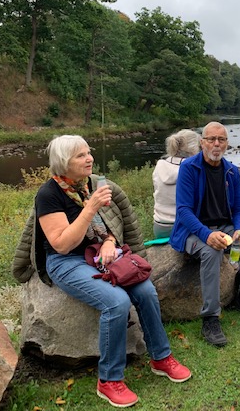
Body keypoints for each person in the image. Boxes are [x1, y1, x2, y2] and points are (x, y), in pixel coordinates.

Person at [22, 135, 190, 408]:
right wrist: (90, 208)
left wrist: (110, 242)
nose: (89, 158)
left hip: (99, 254)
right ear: (63, 161)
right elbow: (62, 244)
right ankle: (109, 379)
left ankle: (161, 357)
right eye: (80, 155)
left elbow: (108, 226)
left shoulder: (90, 184)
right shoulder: (49, 194)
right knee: (117, 301)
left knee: (146, 290)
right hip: (66, 262)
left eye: (88, 152)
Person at [170, 122, 240, 347]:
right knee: (212, 251)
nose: (216, 144)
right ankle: (211, 317)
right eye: (211, 139)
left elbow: (238, 208)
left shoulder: (231, 171)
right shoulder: (189, 168)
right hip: (193, 231)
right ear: (202, 142)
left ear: (226, 144)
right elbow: (183, 211)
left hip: (225, 228)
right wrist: (206, 235)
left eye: (221, 139)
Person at [152, 129, 201, 239]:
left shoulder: (159, 165)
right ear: (194, 149)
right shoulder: (193, 169)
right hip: (183, 227)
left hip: (159, 227)